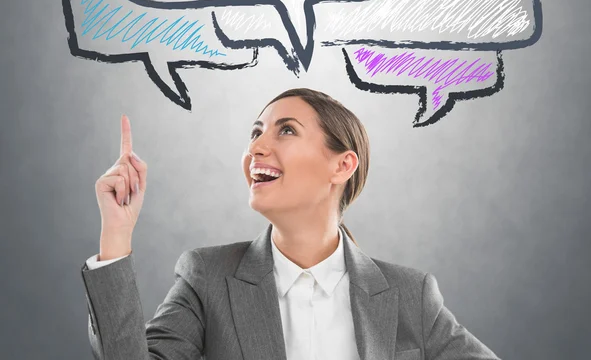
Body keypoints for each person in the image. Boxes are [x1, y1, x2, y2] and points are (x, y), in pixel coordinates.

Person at [81, 87, 501, 360]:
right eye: (255, 132)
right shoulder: (207, 278)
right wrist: (116, 234)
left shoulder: (411, 295)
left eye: (285, 131)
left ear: (342, 165)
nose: (256, 146)